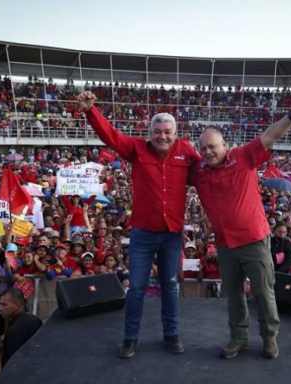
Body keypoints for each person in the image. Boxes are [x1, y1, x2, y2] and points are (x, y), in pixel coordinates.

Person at [189, 95, 291, 359]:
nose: (208, 152)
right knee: (233, 296)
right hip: (224, 244)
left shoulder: (243, 156)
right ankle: (239, 338)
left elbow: (269, 137)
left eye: (212, 146)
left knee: (263, 293)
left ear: (225, 145)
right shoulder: (199, 172)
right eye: (203, 149)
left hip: (254, 240)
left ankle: (269, 338)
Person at [78, 91, 201, 358]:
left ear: (175, 133)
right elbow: (109, 135)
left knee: (170, 286)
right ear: (150, 132)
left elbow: (206, 172)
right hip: (143, 234)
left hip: (171, 235)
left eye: (168, 131)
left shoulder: (187, 152)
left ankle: (171, 334)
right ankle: (131, 338)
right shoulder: (136, 148)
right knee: (135, 289)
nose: (162, 136)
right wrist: (91, 111)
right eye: (157, 131)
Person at [0, 287, 42, 368]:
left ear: (17, 305)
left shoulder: (14, 331)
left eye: (4, 305)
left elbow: (12, 363)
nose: (0, 308)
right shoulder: (35, 320)